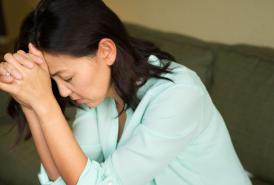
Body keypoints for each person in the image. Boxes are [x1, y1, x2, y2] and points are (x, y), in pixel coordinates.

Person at [0, 0, 252, 185]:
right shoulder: (95, 96)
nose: (63, 91)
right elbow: (68, 179)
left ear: (106, 51)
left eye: (66, 77)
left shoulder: (179, 95)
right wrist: (31, 105)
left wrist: (45, 104)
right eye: (54, 82)